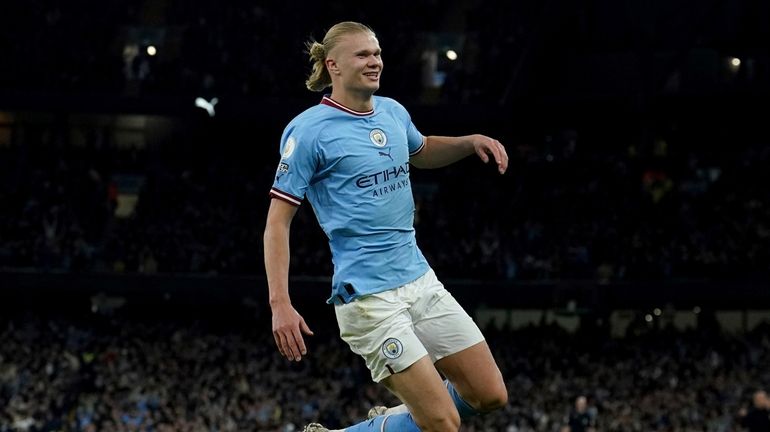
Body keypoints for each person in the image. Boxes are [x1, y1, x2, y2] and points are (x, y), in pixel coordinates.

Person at [263, 21, 508, 432]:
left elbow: (421, 150)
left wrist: (469, 142)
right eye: (362, 55)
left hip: (420, 280)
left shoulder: (393, 112)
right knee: (444, 425)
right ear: (333, 65)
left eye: (376, 53)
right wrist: (279, 303)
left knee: (489, 395)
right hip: (369, 299)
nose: (374, 62)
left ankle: (399, 423)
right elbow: (276, 224)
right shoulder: (308, 132)